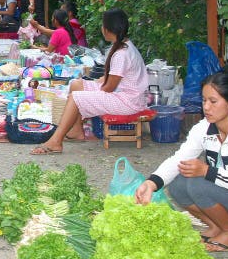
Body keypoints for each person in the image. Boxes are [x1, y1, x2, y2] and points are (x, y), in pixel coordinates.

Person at [135, 72, 228, 253]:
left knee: (198, 183)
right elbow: (179, 159)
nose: (206, 107)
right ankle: (215, 226)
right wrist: (151, 183)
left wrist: (207, 171)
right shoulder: (204, 128)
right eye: (204, 100)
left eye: (213, 102)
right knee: (178, 183)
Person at [31, 9, 148, 154]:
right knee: (76, 83)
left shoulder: (121, 53)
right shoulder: (123, 45)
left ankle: (56, 141)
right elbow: (111, 79)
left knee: (76, 97)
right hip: (124, 95)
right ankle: (76, 131)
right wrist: (92, 85)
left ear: (107, 29)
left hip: (129, 102)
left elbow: (109, 88)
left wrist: (90, 94)